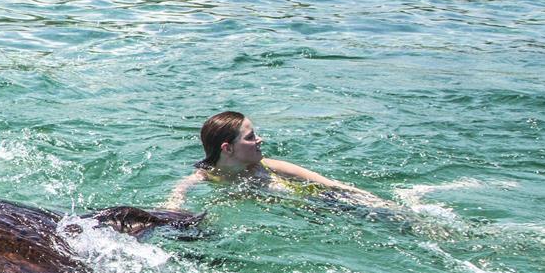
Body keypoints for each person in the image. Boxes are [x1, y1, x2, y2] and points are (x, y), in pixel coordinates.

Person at [165, 111, 385, 209]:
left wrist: (382, 205)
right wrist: (176, 208)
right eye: (250, 137)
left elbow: (333, 186)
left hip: (327, 203)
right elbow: (178, 194)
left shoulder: (269, 167)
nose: (260, 140)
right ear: (227, 148)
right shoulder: (206, 175)